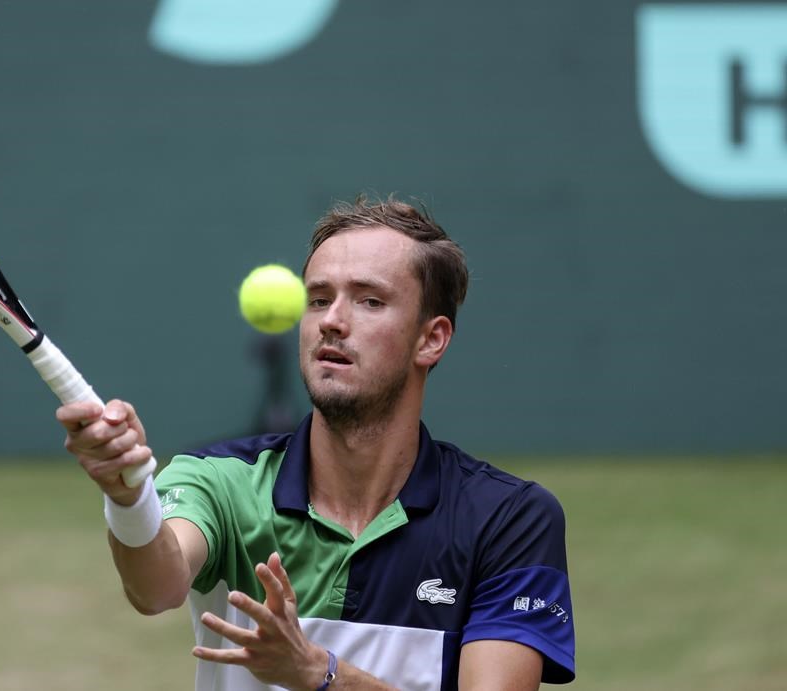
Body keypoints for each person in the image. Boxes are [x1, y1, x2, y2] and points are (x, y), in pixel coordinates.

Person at [56, 196, 576, 690]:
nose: (331, 320)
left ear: (431, 338)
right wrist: (128, 497)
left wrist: (319, 674)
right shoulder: (218, 480)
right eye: (319, 299)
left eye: (370, 301)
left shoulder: (509, 520)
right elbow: (156, 587)